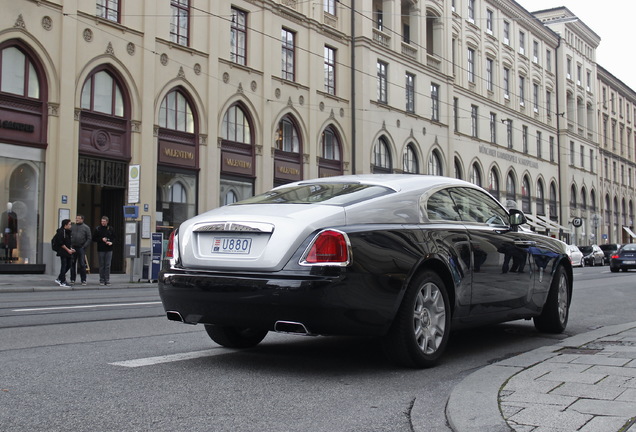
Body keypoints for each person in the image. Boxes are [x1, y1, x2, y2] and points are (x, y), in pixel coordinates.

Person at [70, 214, 92, 286]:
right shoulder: (72, 227)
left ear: (82, 219)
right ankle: (72, 279)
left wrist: (84, 246)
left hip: (81, 247)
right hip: (73, 247)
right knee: (72, 263)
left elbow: (89, 238)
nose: (77, 220)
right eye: (76, 218)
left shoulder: (86, 228)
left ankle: (83, 280)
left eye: (78, 219)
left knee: (82, 264)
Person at [93, 216, 115, 286]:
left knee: (107, 265)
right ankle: (101, 279)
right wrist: (101, 239)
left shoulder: (110, 229)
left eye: (104, 221)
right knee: (102, 265)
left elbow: (114, 238)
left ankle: (107, 279)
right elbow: (94, 238)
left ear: (107, 222)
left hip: (109, 249)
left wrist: (111, 242)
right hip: (101, 249)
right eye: (102, 221)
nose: (103, 223)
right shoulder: (98, 229)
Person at [54, 219, 75, 287]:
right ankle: (62, 280)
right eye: (69, 224)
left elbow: (68, 242)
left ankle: (60, 277)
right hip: (63, 251)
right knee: (64, 265)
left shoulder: (68, 232)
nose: (70, 225)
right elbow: (61, 243)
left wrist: (71, 249)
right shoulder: (61, 232)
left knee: (69, 264)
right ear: (65, 225)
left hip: (67, 251)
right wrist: (67, 250)